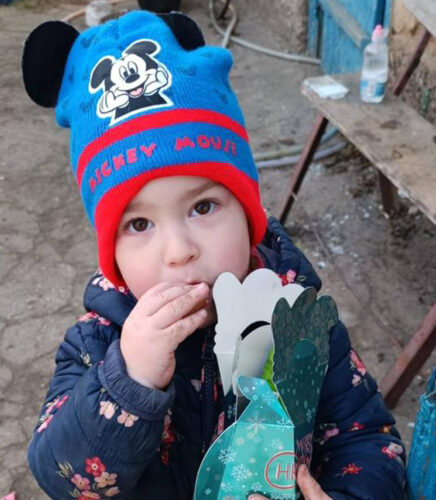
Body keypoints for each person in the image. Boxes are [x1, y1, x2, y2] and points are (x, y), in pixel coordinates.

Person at [21, 10, 406, 500]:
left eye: (203, 206)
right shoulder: (96, 344)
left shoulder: (301, 322)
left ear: (248, 214)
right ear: (111, 252)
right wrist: (127, 382)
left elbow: (367, 439)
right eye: (139, 224)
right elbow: (62, 477)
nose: (179, 251)